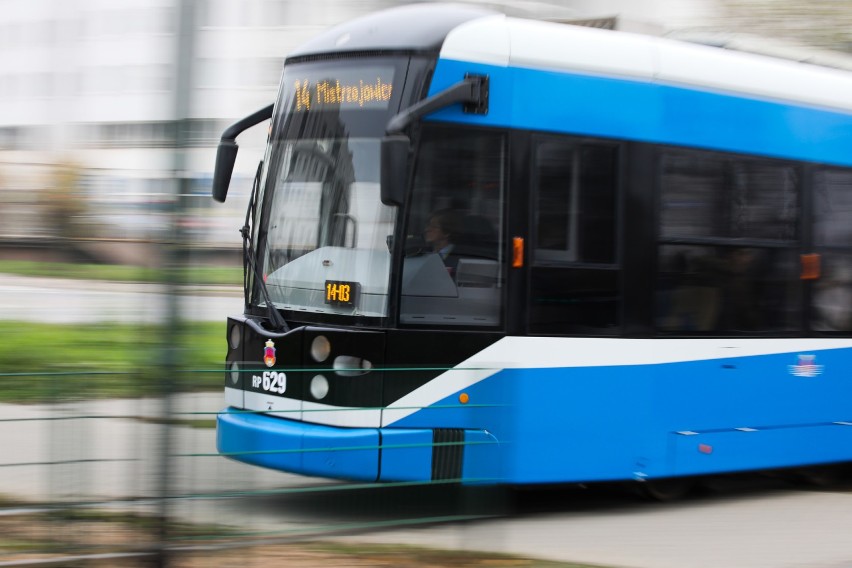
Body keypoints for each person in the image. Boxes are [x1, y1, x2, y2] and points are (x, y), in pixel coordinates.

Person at [424, 208, 463, 273]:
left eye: (434, 226)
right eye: (428, 226)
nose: (427, 229)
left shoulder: (461, 257)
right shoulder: (422, 253)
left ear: (447, 232)